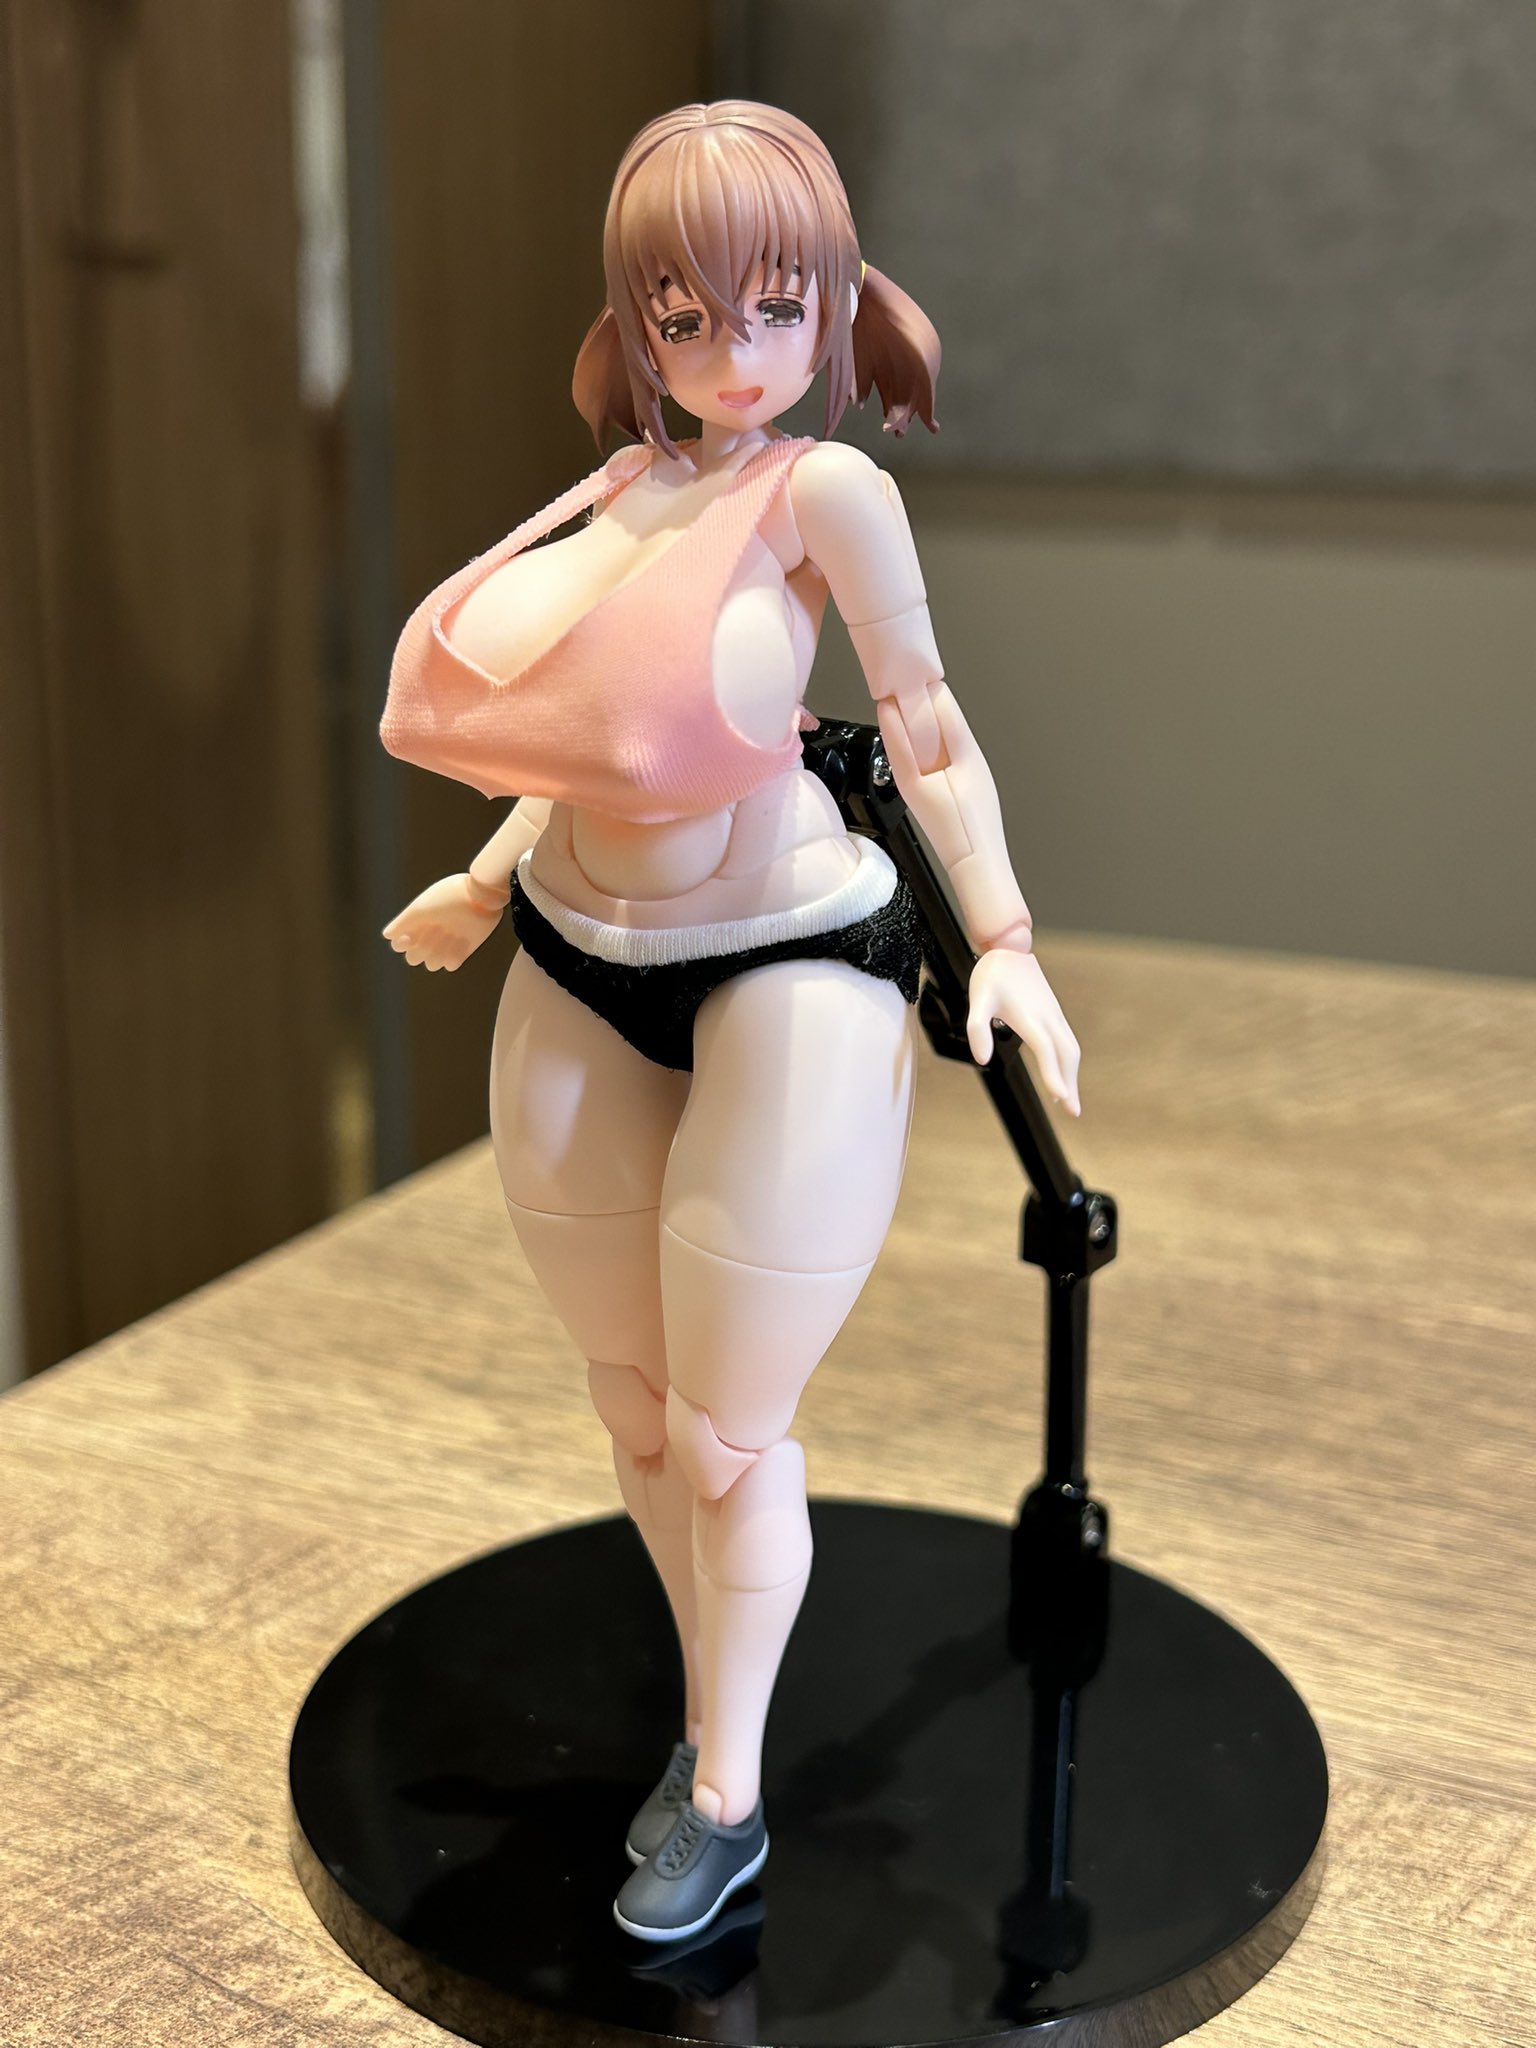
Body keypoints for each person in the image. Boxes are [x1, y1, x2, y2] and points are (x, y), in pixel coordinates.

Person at [380, 100, 1081, 1944]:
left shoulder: (820, 494)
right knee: (630, 1404)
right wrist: (487, 876)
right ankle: (709, 1688)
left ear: (832, 302)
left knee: (725, 1432)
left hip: (787, 957)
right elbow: (586, 745)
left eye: (775, 307)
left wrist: (1004, 936)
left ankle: (722, 1793)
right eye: (684, 316)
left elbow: (922, 723)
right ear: (639, 324)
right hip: (574, 946)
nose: (731, 352)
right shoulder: (621, 493)